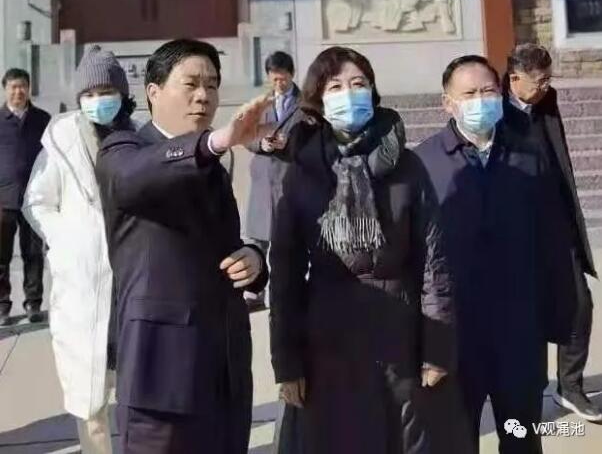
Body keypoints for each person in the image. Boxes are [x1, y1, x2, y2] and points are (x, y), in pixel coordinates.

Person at [269, 46, 456, 454]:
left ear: (373, 92)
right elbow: (284, 274)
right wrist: (287, 362)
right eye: (336, 87)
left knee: (400, 438)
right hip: (327, 336)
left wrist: (437, 348)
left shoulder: (407, 166)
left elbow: (433, 261)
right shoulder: (302, 170)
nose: (349, 94)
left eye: (359, 84)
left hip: (397, 332)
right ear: (318, 99)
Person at [95, 39, 269, 454]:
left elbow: (223, 247)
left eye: (212, 85)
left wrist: (254, 260)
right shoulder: (123, 150)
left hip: (223, 371)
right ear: (153, 92)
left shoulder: (212, 165)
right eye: (190, 84)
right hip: (162, 382)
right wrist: (213, 143)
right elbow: (135, 178)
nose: (203, 95)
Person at [414, 55, 576, 454]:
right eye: (469, 93)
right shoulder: (423, 162)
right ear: (447, 103)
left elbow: (554, 243)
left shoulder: (529, 154)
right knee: (454, 441)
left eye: (488, 91)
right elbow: (412, 257)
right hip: (455, 336)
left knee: (521, 437)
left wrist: (559, 320)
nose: (480, 100)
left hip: (519, 333)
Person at [22, 46, 136, 453]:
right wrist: (67, 241)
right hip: (82, 285)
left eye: (106, 91)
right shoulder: (62, 141)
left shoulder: (138, 137)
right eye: (89, 93)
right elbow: (37, 202)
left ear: (122, 94)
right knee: (90, 402)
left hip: (131, 280)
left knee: (138, 392)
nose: (98, 100)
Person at [503, 43, 602, 423]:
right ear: (514, 78)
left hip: (557, 224)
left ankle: (570, 387)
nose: (545, 87)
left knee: (579, 305)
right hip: (517, 233)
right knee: (524, 314)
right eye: (539, 81)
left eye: (548, 79)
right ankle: (524, 390)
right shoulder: (493, 111)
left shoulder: (546, 101)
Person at [244, 50, 301, 311]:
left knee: (285, 241)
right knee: (257, 239)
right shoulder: (260, 103)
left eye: (283, 79)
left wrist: (291, 143)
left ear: (292, 74)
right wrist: (262, 144)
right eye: (274, 79)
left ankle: (282, 293)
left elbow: (316, 137)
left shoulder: (305, 104)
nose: (279, 84)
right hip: (263, 177)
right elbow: (246, 136)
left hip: (290, 177)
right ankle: (254, 293)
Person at [0, 68, 50, 325]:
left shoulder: (42, 119)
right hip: (3, 200)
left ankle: (33, 303)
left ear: (29, 89)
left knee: (33, 254)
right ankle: (2, 306)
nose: (18, 91)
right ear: (5, 89)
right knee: (1, 257)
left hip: (33, 198)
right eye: (13, 87)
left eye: (22, 86)